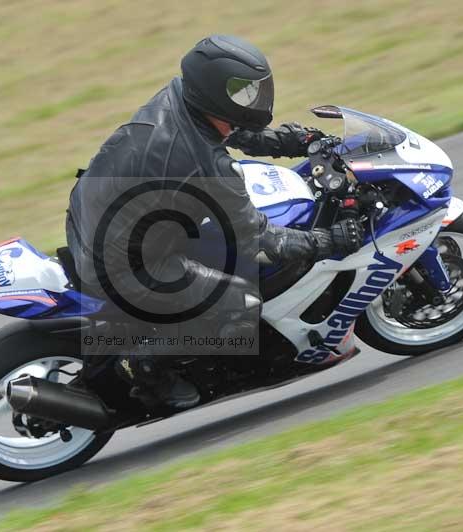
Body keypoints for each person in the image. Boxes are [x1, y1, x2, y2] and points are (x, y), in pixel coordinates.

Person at [66, 35, 363, 409]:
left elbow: (234, 132)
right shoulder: (208, 165)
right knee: (241, 300)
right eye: (243, 93)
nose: (254, 100)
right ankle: (148, 367)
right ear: (213, 92)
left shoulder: (180, 98)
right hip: (123, 267)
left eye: (254, 90)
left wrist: (295, 141)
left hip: (86, 216)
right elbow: (263, 240)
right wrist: (329, 240)